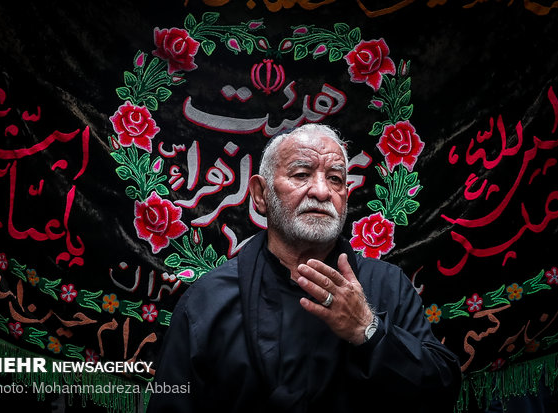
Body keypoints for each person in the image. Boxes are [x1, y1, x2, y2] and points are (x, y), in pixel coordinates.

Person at [147, 123, 461, 412]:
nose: (322, 192)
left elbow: (442, 390)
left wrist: (368, 330)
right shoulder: (208, 300)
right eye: (301, 175)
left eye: (335, 179)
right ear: (260, 195)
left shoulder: (387, 285)